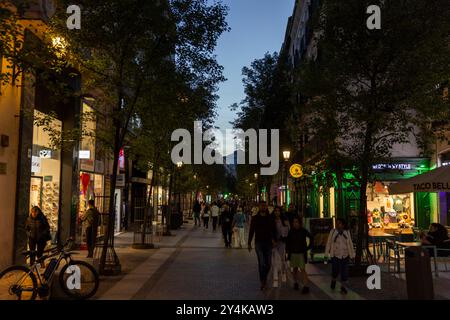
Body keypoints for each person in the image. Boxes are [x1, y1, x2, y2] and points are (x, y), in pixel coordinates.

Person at [248, 202, 277, 290]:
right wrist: (249, 243)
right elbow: (251, 230)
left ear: (266, 207)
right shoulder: (255, 218)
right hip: (258, 243)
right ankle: (263, 281)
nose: (263, 207)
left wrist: (274, 240)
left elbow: (274, 230)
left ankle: (264, 278)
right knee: (262, 263)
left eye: (264, 206)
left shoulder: (270, 218)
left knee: (268, 264)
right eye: (261, 206)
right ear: (259, 207)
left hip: (268, 243)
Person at [325, 218, 355, 294]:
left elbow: (350, 244)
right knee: (335, 271)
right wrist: (326, 255)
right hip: (335, 255)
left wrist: (352, 255)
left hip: (345, 255)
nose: (338, 225)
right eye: (337, 223)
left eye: (339, 223)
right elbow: (328, 243)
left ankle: (343, 287)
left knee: (344, 272)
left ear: (343, 224)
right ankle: (333, 280)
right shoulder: (333, 232)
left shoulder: (347, 232)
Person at [286, 217, 313, 294]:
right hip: (293, 253)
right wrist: (287, 251)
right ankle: (295, 282)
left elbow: (311, 237)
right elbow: (288, 242)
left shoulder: (303, 231)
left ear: (300, 223)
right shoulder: (291, 231)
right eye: (294, 222)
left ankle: (306, 286)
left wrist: (308, 247)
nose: (295, 223)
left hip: (301, 253)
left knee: (302, 270)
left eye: (297, 222)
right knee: (294, 269)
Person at [272, 206, 290, 287]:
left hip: (282, 243)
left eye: (278, 211)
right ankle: (275, 279)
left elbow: (288, 231)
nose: (276, 212)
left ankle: (283, 273)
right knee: (275, 261)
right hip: (274, 243)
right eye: (275, 211)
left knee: (283, 259)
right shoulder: (271, 221)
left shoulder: (284, 221)